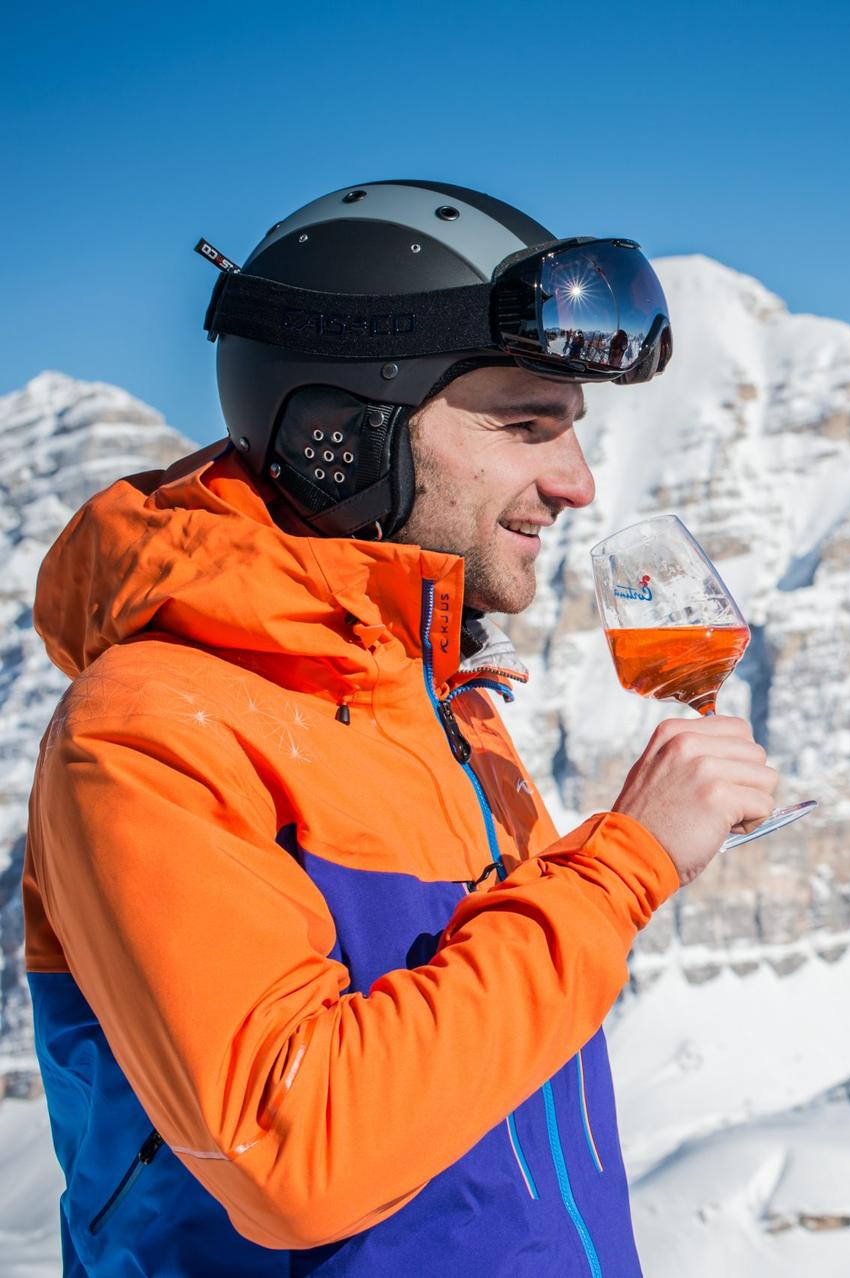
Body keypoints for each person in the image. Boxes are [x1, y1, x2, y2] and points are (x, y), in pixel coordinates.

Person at [24, 181, 779, 1275]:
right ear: (344, 434)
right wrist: (621, 869)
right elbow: (294, 1152)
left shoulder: (446, 707)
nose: (577, 483)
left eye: (572, 431)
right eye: (525, 425)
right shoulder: (150, 731)